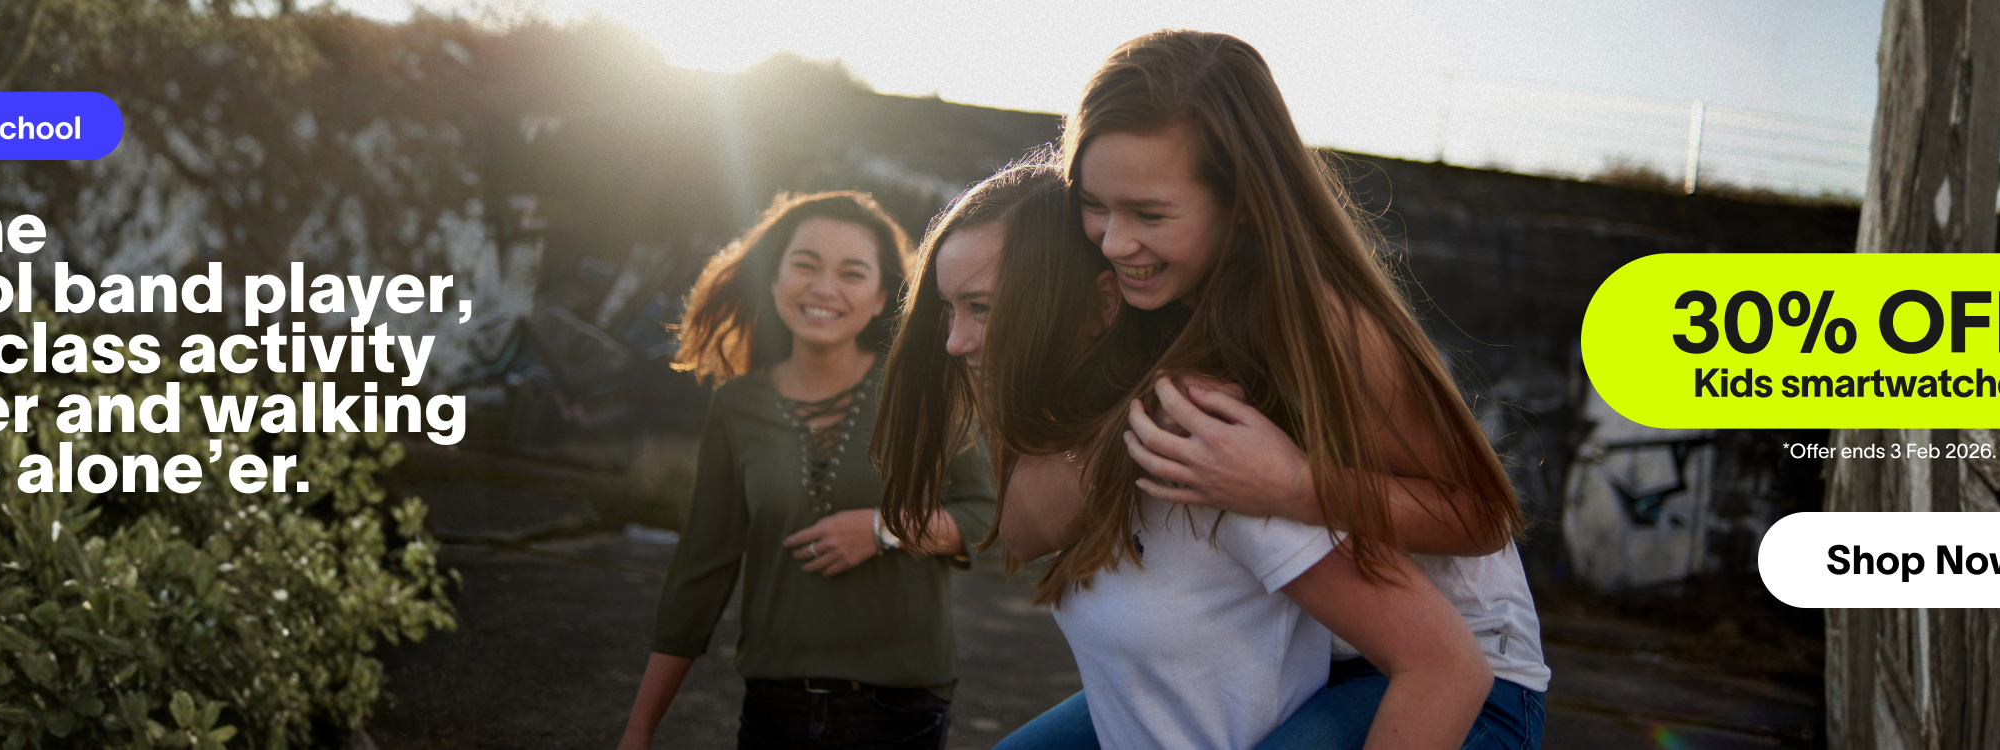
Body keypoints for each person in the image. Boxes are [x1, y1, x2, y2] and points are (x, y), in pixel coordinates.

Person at [1018, 29, 1553, 749]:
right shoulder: (1151, 298)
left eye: (1149, 215)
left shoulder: (1330, 327)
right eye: (1095, 205)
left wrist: (1297, 485)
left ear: (1241, 200)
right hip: (1286, 650)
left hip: (1457, 674)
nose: (1114, 242)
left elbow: (1480, 515)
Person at [880, 149, 1489, 750]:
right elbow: (1022, 530)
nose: (955, 342)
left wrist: (1165, 424)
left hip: (1464, 673)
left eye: (983, 308)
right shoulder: (1114, 426)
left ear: (1100, 305)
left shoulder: (1220, 448)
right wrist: (1134, 423)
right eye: (950, 310)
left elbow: (1446, 662)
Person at [618, 191, 995, 750]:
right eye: (805, 265)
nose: (824, 288)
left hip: (898, 710)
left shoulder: (923, 390)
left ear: (882, 297)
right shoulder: (737, 406)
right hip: (774, 708)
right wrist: (639, 729)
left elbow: (986, 516)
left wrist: (883, 529)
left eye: (852, 273)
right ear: (774, 280)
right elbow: (701, 568)